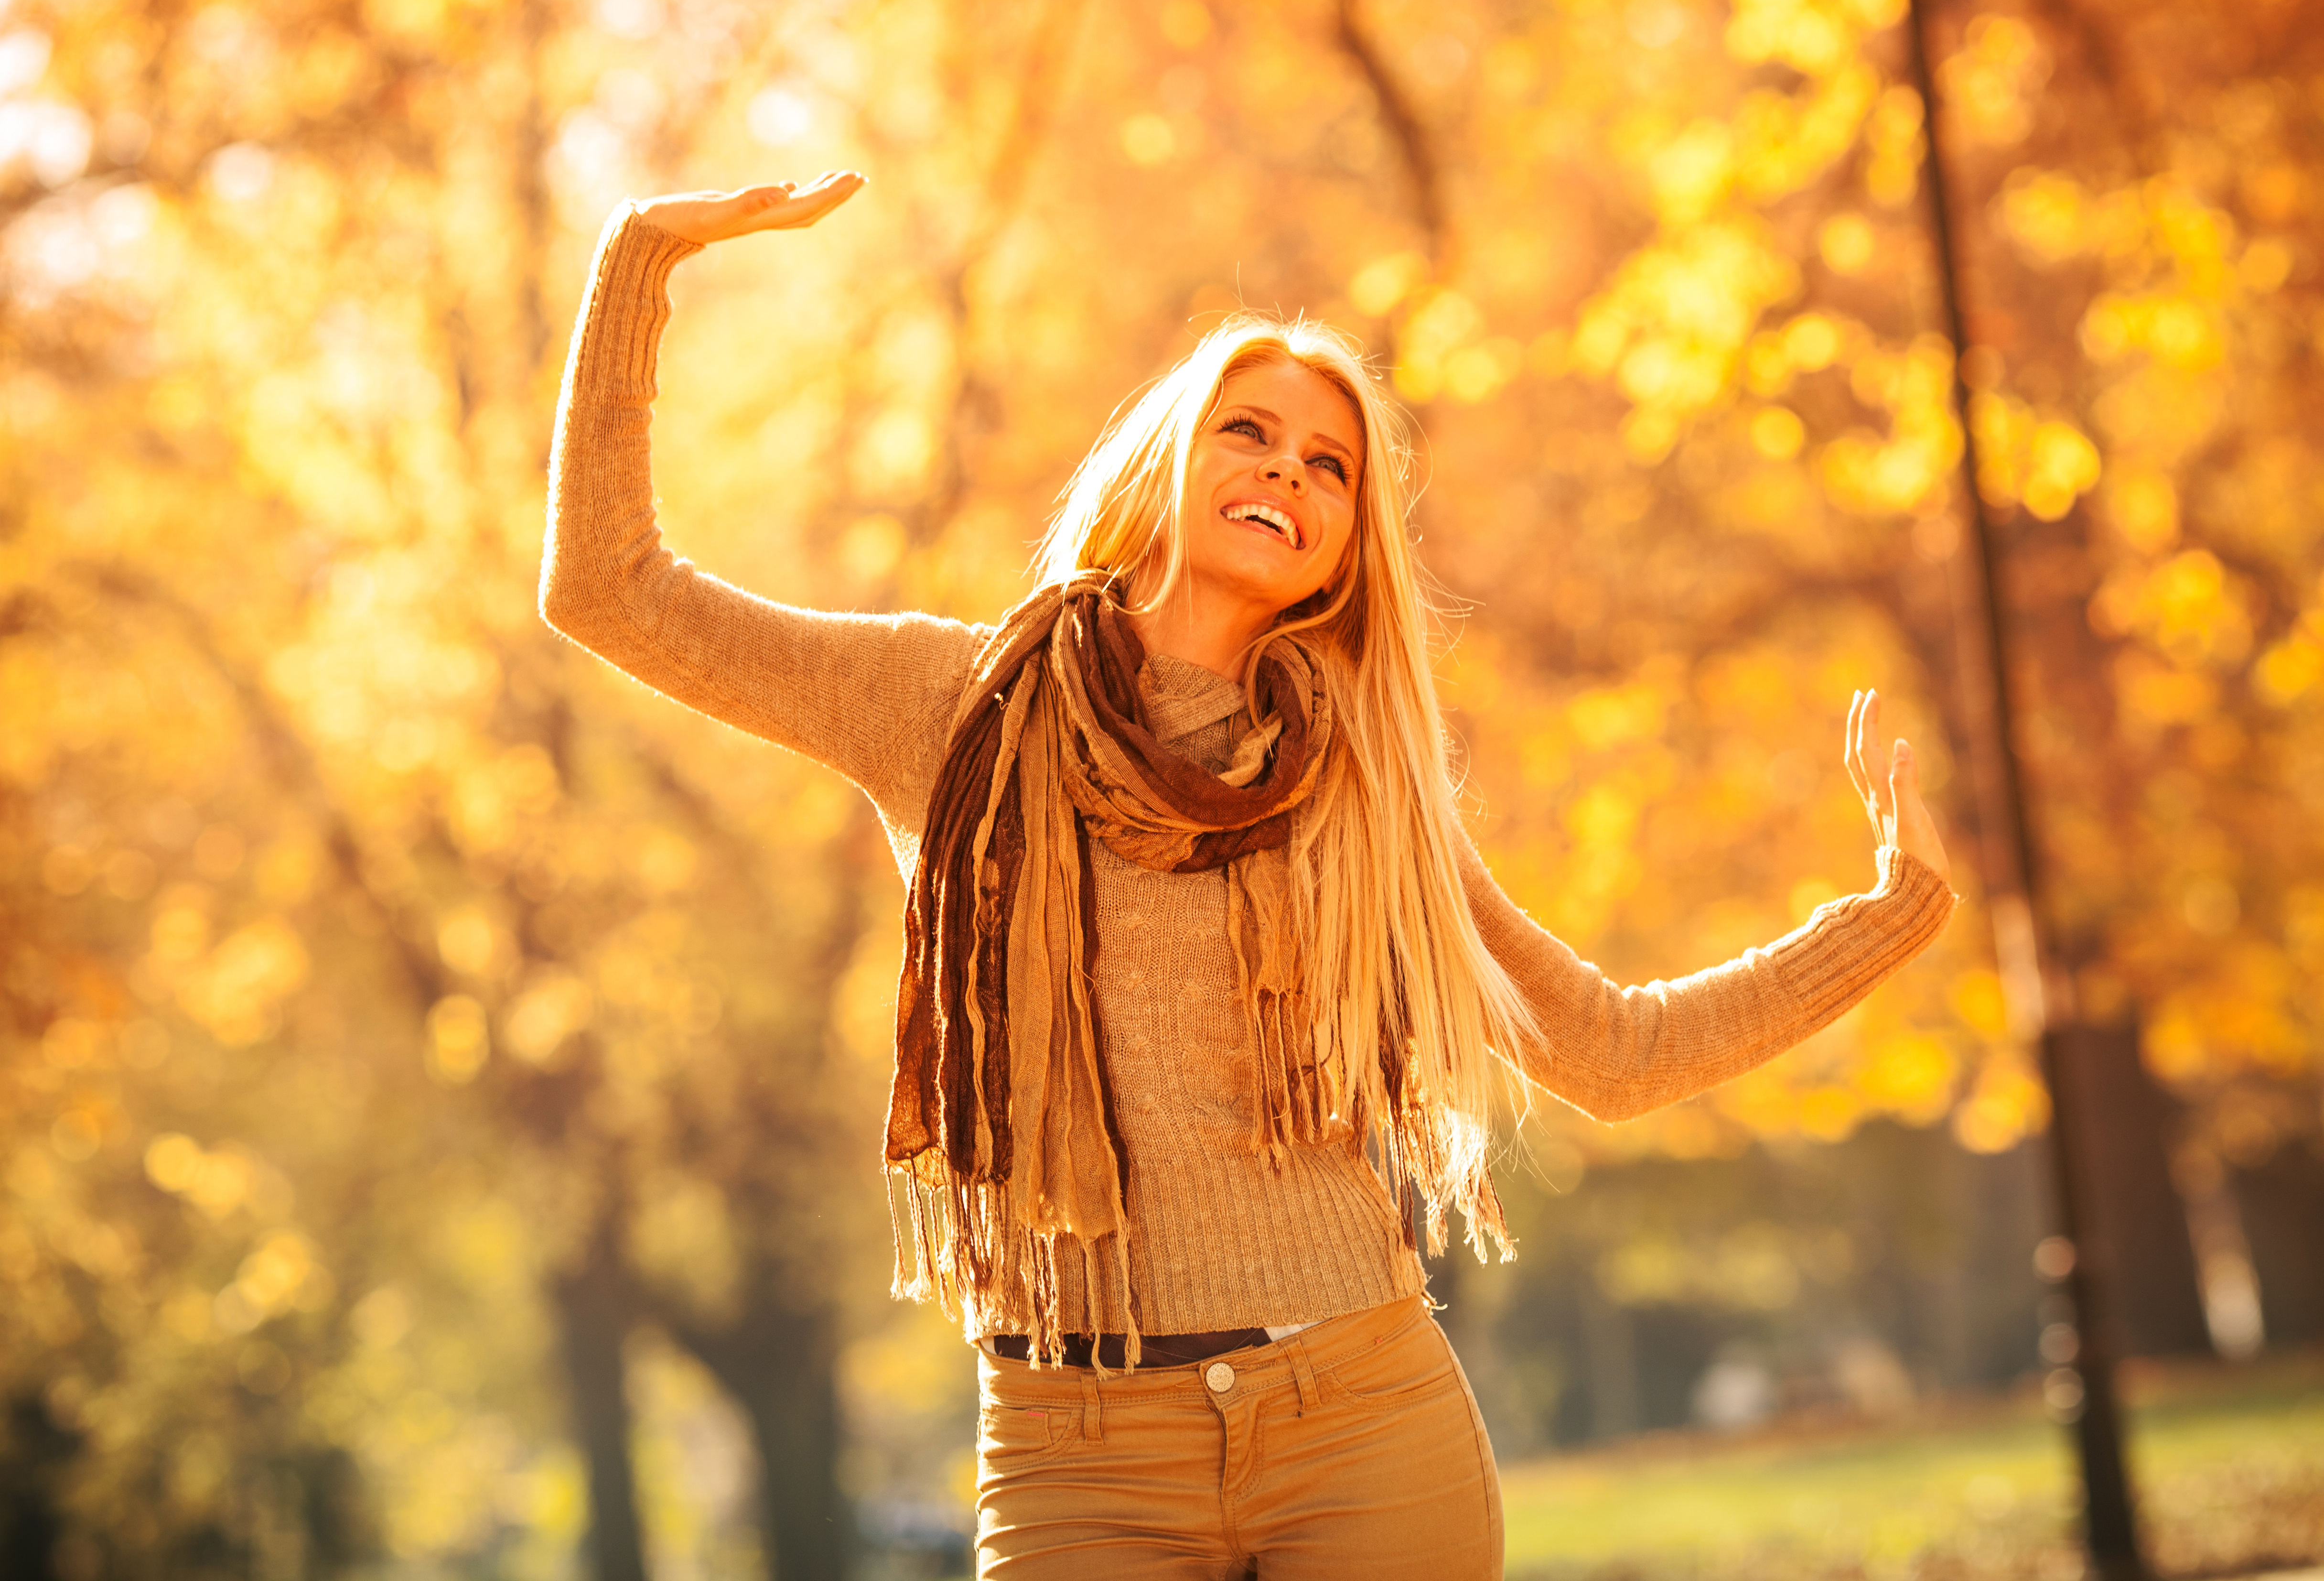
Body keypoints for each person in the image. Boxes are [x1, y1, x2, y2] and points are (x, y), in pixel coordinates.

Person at [539, 173, 1957, 1580]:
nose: (1288, 469)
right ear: (1168, 460)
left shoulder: (1363, 788)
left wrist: (1890, 916)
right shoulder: (949, 706)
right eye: (1250, 433)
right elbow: (611, 589)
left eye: (1329, 465)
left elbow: (1612, 1052)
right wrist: (640, 261)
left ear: (1343, 555)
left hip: (1359, 1419)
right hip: (1071, 1443)